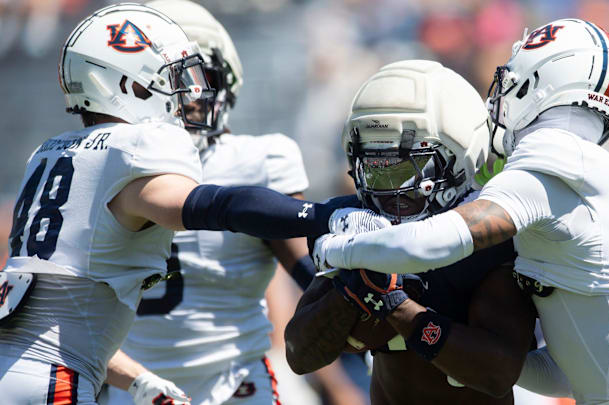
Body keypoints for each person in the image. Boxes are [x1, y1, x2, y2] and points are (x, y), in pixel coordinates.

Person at [313, 19, 609, 404]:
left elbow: (446, 239)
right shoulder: (590, 167)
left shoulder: (556, 152)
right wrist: (452, 343)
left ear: (541, 82)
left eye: (512, 78)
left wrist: (342, 246)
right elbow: (574, 367)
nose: (501, 92)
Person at [0, 4, 382, 404]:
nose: (188, 93)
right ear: (129, 85)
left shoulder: (50, 154)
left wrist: (136, 379)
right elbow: (214, 204)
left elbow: (60, 321)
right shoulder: (131, 149)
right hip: (57, 380)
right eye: (168, 79)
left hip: (30, 366)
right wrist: (324, 214)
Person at [100, 1, 366, 404]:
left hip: (234, 385)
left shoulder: (255, 160)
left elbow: (311, 274)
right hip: (130, 386)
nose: (185, 93)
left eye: (195, 76)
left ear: (222, 81)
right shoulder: (101, 162)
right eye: (165, 79)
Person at [285, 59, 538, 404]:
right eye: (376, 169)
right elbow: (300, 353)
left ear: (458, 157)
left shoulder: (488, 239)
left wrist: (395, 305)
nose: (391, 191)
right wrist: (349, 291)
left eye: (407, 168)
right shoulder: (364, 228)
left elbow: (496, 371)